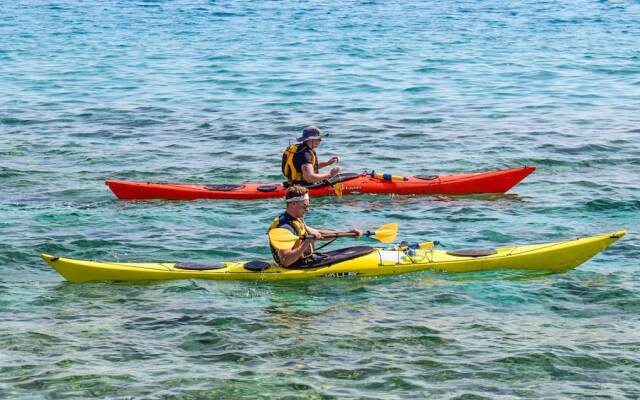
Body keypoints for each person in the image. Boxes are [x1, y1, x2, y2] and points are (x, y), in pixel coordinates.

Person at [267, 185, 361, 268]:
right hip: (297, 266)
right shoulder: (285, 227)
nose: (307, 210)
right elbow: (286, 261)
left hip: (306, 262)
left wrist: (348, 233)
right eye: (304, 206)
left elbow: (318, 233)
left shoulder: (295, 220)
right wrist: (307, 241)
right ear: (293, 204)